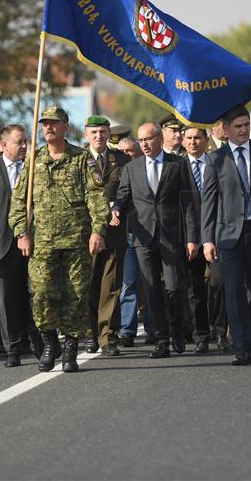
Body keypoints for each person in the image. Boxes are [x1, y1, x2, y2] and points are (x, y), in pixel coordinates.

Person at [9, 106, 108, 373]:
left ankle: (71, 348)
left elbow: (96, 197)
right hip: (42, 242)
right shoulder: (34, 161)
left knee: (75, 296)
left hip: (77, 240)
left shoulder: (81, 158)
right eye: (45, 124)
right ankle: (50, 342)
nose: (48, 127)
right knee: (42, 294)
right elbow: (19, 201)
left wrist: (98, 230)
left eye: (54, 123)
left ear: (65, 126)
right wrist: (21, 232)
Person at [111, 122, 198, 359]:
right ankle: (161, 340)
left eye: (149, 139)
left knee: (173, 286)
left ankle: (177, 328)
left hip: (171, 235)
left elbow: (189, 203)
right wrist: (117, 209)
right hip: (143, 236)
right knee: (150, 290)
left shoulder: (177, 165)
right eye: (141, 140)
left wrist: (192, 238)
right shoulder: (132, 167)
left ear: (159, 138)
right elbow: (123, 195)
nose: (144, 144)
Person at [202, 105, 251, 365]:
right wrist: (207, 239)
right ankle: (241, 346)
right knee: (233, 290)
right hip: (228, 236)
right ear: (226, 130)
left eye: (246, 125)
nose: (243, 130)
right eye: (238, 126)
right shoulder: (214, 159)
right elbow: (208, 201)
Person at [0, 125, 43, 367]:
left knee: (34, 293)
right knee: (8, 297)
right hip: (2, 242)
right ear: (3, 145)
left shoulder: (34, 169)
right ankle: (12, 347)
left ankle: (37, 340)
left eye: (26, 141)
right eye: (19, 142)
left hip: (33, 241)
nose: (24, 146)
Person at [83, 116, 130, 356]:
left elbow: (128, 192)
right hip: (86, 234)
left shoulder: (121, 160)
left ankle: (108, 338)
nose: (98, 136)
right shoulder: (77, 160)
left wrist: (117, 208)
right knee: (89, 286)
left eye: (102, 132)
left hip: (113, 233)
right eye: (94, 132)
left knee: (110, 287)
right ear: (85, 135)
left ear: (108, 133)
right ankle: (91, 334)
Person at [182, 126, 225, 353]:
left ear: (206, 139)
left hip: (216, 234)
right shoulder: (177, 166)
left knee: (218, 284)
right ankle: (201, 336)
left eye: (197, 137)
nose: (193, 142)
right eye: (188, 138)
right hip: (189, 238)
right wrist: (190, 237)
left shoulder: (217, 163)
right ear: (182, 141)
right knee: (194, 289)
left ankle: (220, 331)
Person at [115, 137, 146, 346]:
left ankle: (155, 328)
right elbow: (122, 196)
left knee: (151, 283)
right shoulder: (123, 171)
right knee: (129, 283)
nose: (126, 155)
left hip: (150, 233)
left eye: (129, 151)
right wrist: (115, 207)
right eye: (122, 152)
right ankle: (127, 329)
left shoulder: (145, 168)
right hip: (127, 233)